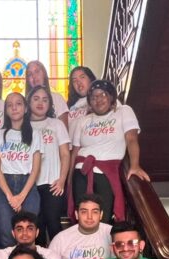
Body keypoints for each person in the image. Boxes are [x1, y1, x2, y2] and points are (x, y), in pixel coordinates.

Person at [69, 79, 150, 223]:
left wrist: (135, 165)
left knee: (104, 218)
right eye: (93, 97)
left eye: (103, 95)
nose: (98, 99)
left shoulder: (123, 111)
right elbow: (75, 151)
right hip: (81, 173)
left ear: (111, 97)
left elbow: (131, 139)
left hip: (106, 173)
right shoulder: (83, 120)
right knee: (82, 218)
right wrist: (69, 179)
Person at [0, 92, 42, 248]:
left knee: (28, 233)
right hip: (4, 185)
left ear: (25, 108)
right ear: (6, 110)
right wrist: (10, 196)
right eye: (10, 105)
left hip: (28, 186)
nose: (14, 108)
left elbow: (36, 169)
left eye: (18, 104)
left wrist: (21, 196)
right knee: (7, 233)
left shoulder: (35, 134)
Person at [48, 195, 112, 259]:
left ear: (101, 215)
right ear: (76, 215)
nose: (89, 217)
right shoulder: (61, 238)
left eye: (95, 212)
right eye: (84, 212)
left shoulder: (111, 233)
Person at [29, 84, 71, 244]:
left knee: (53, 223)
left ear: (50, 104)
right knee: (36, 226)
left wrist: (62, 180)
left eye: (45, 100)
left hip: (53, 183)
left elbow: (65, 154)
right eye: (36, 98)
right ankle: (39, 258)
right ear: (29, 102)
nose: (40, 103)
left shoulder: (56, 124)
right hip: (31, 185)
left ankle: (57, 258)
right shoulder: (23, 125)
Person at [25, 60, 69, 127]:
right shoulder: (24, 102)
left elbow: (64, 129)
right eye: (30, 74)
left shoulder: (57, 98)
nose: (34, 76)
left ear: (44, 74)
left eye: (37, 71)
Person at [66, 65, 96, 142]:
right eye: (74, 80)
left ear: (90, 79)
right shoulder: (69, 106)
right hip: (72, 146)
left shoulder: (102, 100)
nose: (78, 82)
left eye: (82, 77)